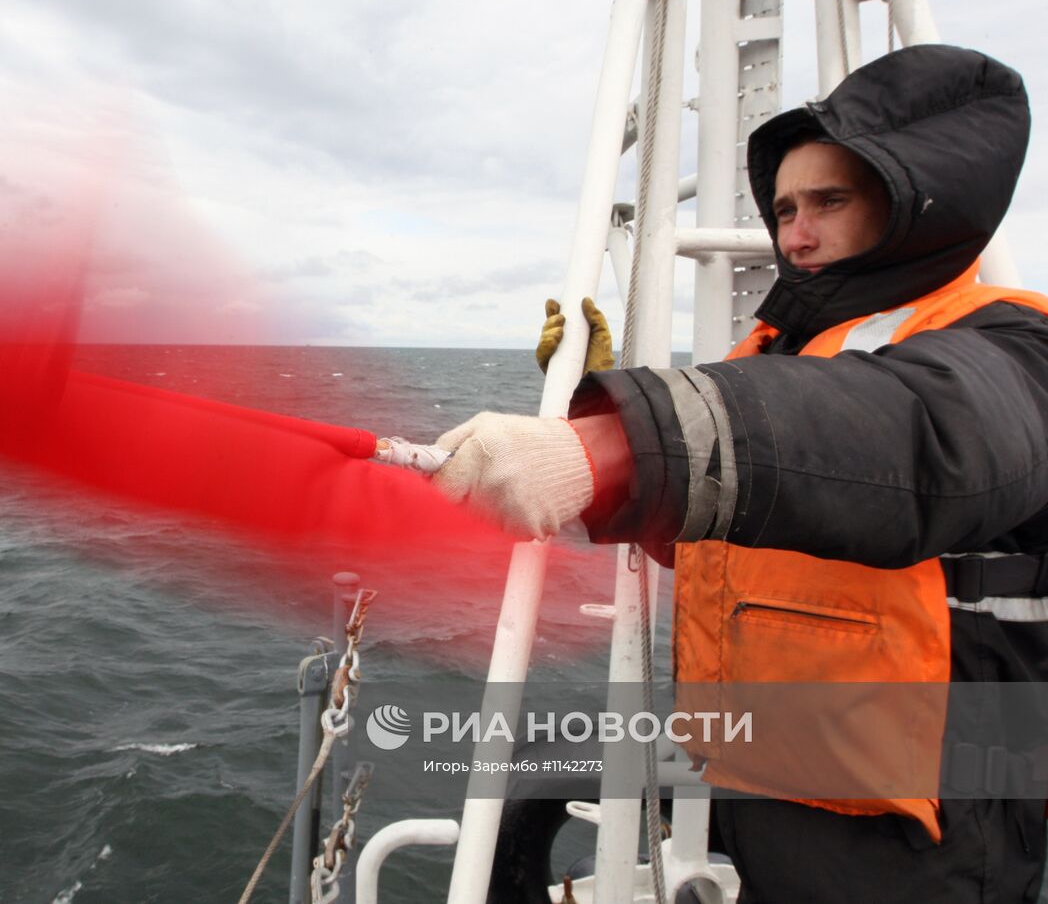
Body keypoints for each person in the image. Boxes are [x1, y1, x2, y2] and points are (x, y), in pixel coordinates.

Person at [432, 44, 1048, 902]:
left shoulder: (1012, 350)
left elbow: (914, 442)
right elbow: (732, 534)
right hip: (773, 772)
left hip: (923, 826)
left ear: (917, 200)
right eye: (787, 206)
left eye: (830, 201)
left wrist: (616, 447)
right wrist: (587, 432)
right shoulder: (775, 358)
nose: (795, 233)